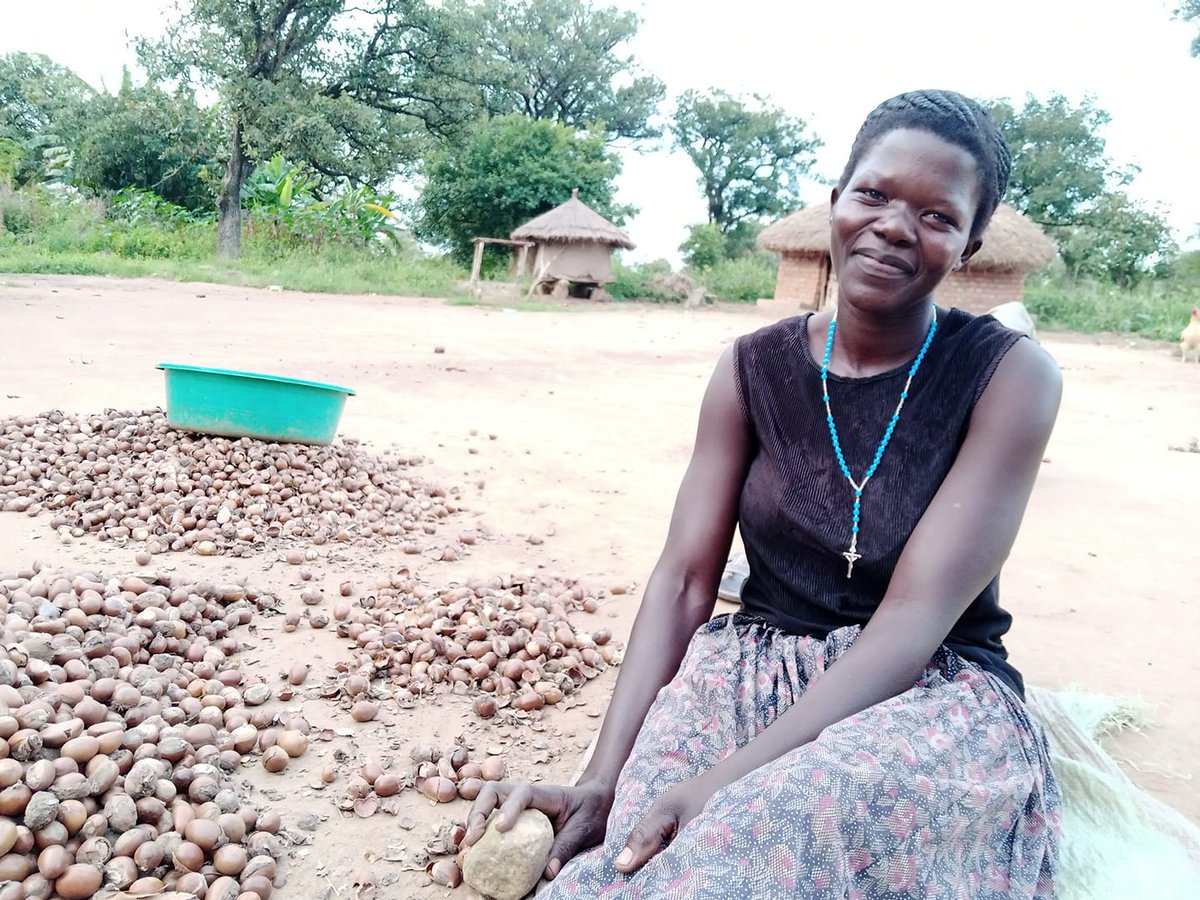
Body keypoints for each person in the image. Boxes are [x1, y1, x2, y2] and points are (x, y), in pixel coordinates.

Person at [463, 89, 1063, 899]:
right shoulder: (750, 369)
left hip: (924, 686)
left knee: (765, 826)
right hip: (749, 665)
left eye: (935, 216)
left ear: (969, 245)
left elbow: (913, 622)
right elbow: (683, 579)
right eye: (874, 194)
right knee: (629, 855)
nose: (893, 225)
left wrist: (723, 784)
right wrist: (601, 778)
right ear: (836, 203)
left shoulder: (1008, 376)